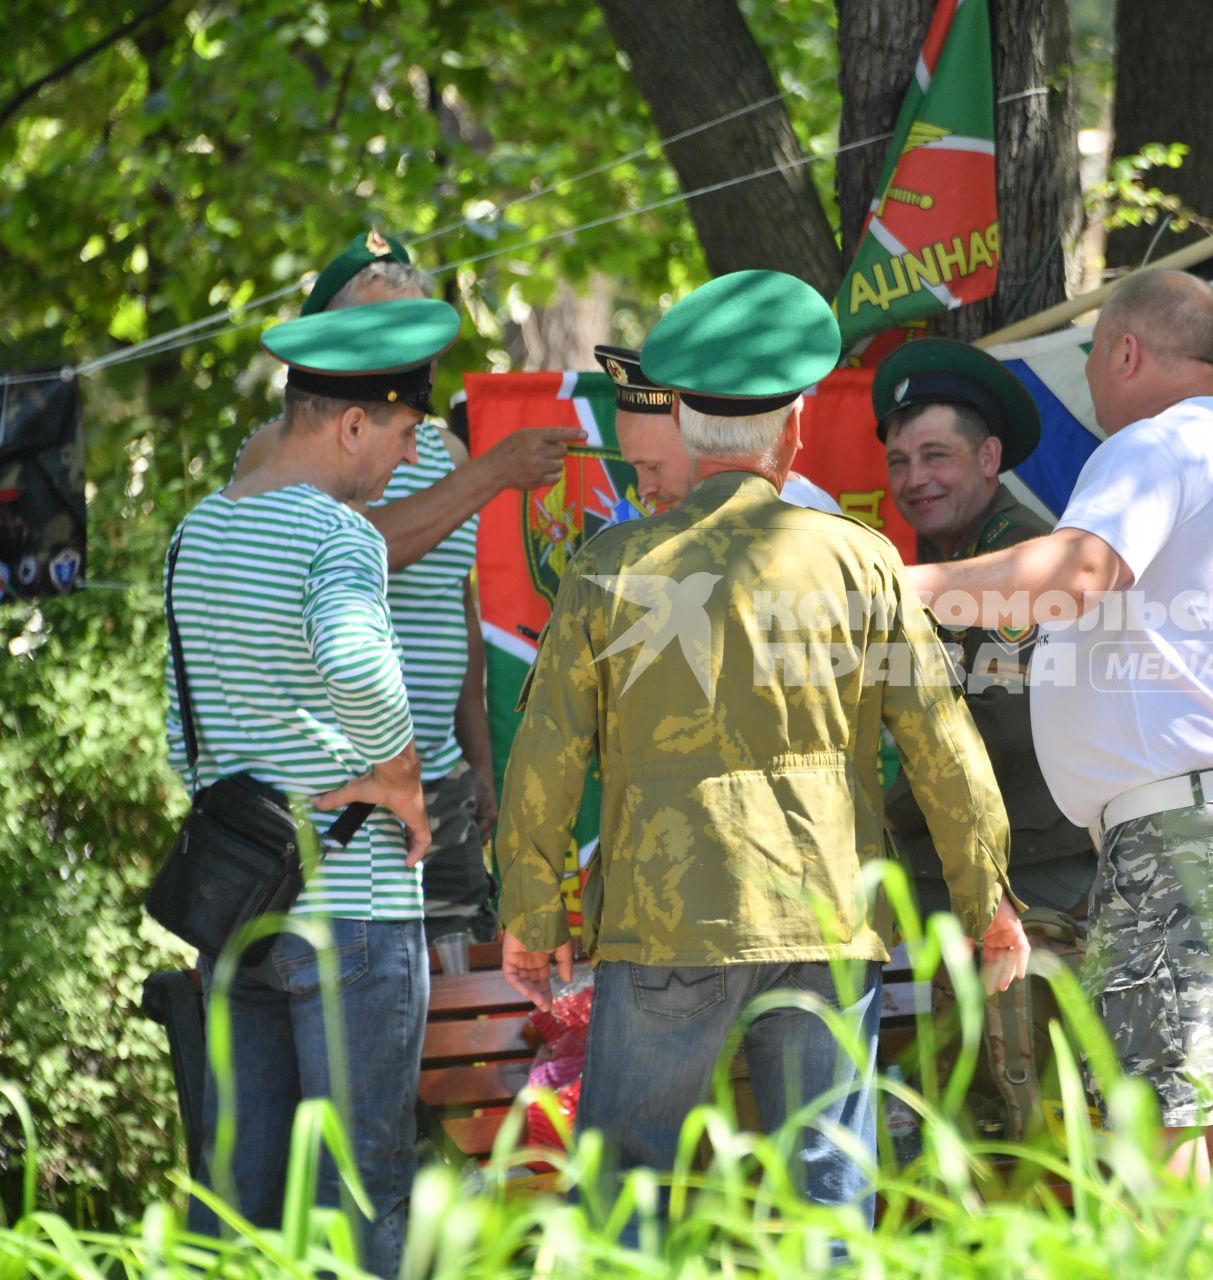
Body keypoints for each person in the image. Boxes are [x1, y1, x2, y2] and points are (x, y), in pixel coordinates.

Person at [495, 270, 1030, 1226]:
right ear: (790, 432)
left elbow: (543, 761)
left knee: (628, 1191)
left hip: (662, 919)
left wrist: (534, 914)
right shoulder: (862, 560)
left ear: (689, 432)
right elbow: (945, 750)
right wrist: (987, 897)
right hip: (825, 918)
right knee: (828, 1188)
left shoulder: (610, 568)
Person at [904, 270, 1213, 1207]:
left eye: (1093, 353)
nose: (1092, 377)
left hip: (1191, 826)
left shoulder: (1154, 444)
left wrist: (898, 589)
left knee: (1150, 1108)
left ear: (1126, 351)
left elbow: (1074, 574)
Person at [168, 298, 460, 1277]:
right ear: (351, 425)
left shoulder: (198, 532)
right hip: (355, 913)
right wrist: (402, 776)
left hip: (237, 905)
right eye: (407, 433)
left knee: (238, 1189)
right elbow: (355, 659)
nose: (408, 457)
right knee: (358, 1182)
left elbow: (185, 731)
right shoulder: (340, 535)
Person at [235, 231, 586, 944]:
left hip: (441, 780)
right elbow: (366, 548)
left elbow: (459, 609)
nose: (403, 349)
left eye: (413, 328)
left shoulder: (444, 450)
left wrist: (480, 759)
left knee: (458, 992)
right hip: (343, 786)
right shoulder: (279, 449)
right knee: (360, 1002)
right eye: (380, 329)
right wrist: (492, 473)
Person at [874, 338, 1096, 1138]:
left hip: (1031, 881)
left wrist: (875, 815)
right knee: (970, 1106)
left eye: (936, 455)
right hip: (972, 877)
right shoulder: (952, 559)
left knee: (1023, 1122)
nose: (914, 480)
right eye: (899, 462)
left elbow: (994, 733)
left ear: (989, 455)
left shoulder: (1013, 564)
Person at [592, 342, 843, 514]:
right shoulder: (808, 511)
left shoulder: (793, 512)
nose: (643, 489)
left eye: (653, 466)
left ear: (693, 434)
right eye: (636, 468)